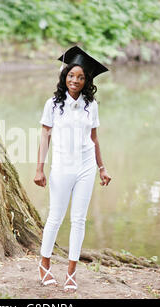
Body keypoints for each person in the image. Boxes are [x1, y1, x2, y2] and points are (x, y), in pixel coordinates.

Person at [34, 46, 112, 292]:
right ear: (64, 76)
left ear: (87, 80)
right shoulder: (54, 104)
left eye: (80, 77)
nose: (75, 80)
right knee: (55, 218)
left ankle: (71, 272)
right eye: (71, 76)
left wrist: (102, 168)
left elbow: (95, 139)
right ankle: (44, 265)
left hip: (86, 167)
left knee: (79, 220)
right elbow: (45, 135)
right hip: (62, 167)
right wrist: (39, 169)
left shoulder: (91, 105)